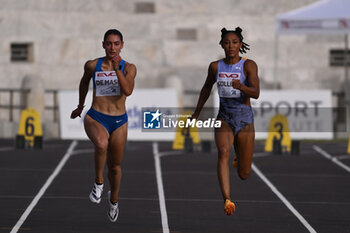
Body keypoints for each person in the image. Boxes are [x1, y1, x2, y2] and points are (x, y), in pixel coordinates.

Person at [70, 29, 137, 222]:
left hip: (118, 120)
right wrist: (80, 106)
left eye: (116, 44)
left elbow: (128, 90)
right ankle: (98, 183)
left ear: (122, 45)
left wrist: (117, 69)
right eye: (109, 44)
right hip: (96, 116)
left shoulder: (129, 67)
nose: (112, 48)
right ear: (103, 45)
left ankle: (113, 200)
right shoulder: (93, 65)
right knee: (101, 144)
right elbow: (84, 83)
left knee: (115, 166)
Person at [192, 27, 259, 215]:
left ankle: (240, 158)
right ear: (222, 44)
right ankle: (227, 200)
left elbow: (257, 92)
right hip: (224, 117)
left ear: (240, 44)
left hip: (244, 118)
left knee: (244, 174)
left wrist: (242, 87)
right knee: (222, 152)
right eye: (227, 42)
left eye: (235, 42)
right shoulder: (215, 66)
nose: (231, 46)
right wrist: (196, 113)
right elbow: (206, 88)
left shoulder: (248, 65)